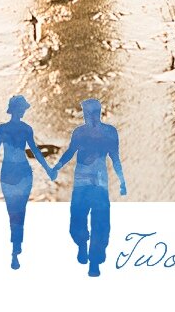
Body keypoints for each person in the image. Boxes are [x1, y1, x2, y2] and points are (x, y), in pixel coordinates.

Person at [46, 98, 126, 277]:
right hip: (92, 183)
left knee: (94, 222)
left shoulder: (100, 133)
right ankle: (84, 247)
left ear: (94, 113)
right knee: (90, 221)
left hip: (90, 184)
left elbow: (115, 158)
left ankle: (94, 260)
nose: (85, 117)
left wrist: (122, 181)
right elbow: (71, 152)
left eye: (86, 113)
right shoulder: (89, 132)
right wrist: (57, 167)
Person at [0, 95, 55, 269]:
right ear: (20, 110)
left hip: (8, 172)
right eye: (24, 109)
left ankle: (15, 245)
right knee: (21, 209)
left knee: (12, 209)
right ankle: (16, 246)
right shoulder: (26, 129)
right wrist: (48, 169)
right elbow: (35, 151)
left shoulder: (1, 129)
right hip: (23, 172)